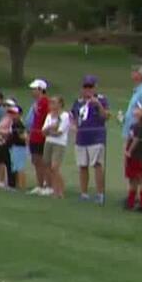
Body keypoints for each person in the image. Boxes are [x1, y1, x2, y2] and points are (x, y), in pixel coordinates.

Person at [71, 76, 110, 204]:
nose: (88, 89)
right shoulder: (78, 101)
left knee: (97, 164)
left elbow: (106, 116)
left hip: (96, 137)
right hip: (82, 138)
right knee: (82, 165)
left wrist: (98, 105)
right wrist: (74, 126)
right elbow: (73, 116)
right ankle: (84, 193)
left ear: (95, 87)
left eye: (90, 87)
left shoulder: (101, 100)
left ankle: (100, 194)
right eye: (85, 87)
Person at [123, 104, 142, 212]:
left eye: (138, 109)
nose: (135, 110)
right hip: (133, 156)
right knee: (132, 179)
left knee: (139, 178)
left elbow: (136, 139)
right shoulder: (134, 125)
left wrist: (129, 151)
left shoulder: (140, 126)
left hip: (137, 156)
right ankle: (131, 201)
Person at [41, 99, 72, 199]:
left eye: (54, 102)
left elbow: (60, 132)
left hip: (59, 143)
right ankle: (54, 189)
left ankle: (60, 190)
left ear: (60, 104)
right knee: (48, 166)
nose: (51, 105)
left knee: (55, 167)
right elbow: (43, 131)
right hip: (48, 142)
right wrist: (50, 127)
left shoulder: (65, 116)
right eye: (51, 103)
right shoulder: (49, 116)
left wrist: (50, 131)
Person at [27, 79, 52, 196]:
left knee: (43, 162)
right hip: (34, 135)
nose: (32, 92)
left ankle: (48, 185)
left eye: (34, 89)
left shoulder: (46, 102)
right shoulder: (36, 103)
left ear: (41, 90)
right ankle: (39, 185)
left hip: (42, 136)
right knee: (36, 161)